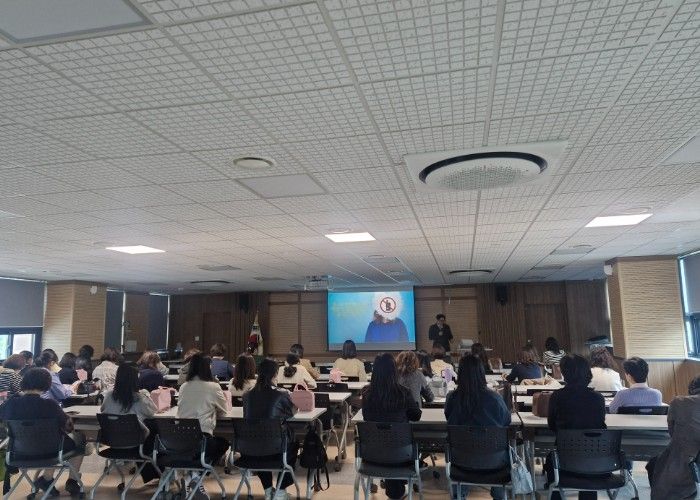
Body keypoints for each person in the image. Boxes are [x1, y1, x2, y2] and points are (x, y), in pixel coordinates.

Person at [0, 368, 86, 496]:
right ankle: (71, 481)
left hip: (18, 452)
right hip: (50, 452)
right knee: (80, 440)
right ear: (47, 384)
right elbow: (68, 427)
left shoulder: (9, 404)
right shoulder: (50, 405)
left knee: (45, 442)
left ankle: (47, 479)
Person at [445, 354, 511, 499]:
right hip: (494, 462)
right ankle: (500, 495)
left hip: (461, 461)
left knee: (462, 446)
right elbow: (506, 422)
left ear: (460, 374)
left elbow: (449, 420)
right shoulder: (495, 399)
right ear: (481, 373)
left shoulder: (452, 398)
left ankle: (459, 495)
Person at [361, 353, 421, 499]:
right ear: (394, 371)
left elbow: (366, 417)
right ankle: (396, 490)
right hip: (401, 453)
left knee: (387, 442)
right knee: (396, 442)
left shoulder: (367, 394)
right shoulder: (403, 393)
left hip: (373, 454)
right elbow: (416, 416)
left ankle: (394, 490)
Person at [546, 354, 605, 500]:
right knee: (588, 459)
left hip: (564, 460)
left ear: (564, 373)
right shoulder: (598, 398)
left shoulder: (557, 397)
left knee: (550, 459)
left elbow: (552, 426)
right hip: (595, 461)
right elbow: (600, 426)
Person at [242, 358, 297, 500]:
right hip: (277, 449)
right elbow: (291, 412)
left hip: (250, 450)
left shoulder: (247, 395)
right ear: (275, 374)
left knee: (260, 440)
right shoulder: (281, 393)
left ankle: (268, 490)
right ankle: (280, 491)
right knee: (293, 443)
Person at [177, 353, 230, 499]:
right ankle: (195, 476)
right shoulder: (213, 387)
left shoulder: (183, 387)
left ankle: (192, 477)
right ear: (207, 368)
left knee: (198, 451)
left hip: (179, 439)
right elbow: (224, 410)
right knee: (223, 444)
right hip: (202, 439)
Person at [100, 364, 159, 483]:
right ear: (135, 380)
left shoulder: (109, 396)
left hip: (113, 443)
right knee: (155, 430)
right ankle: (157, 473)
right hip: (135, 444)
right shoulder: (139, 398)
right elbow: (153, 411)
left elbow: (103, 410)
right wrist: (146, 395)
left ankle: (151, 474)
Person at [646, 375, 700, 499]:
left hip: (685, 462)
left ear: (692, 389)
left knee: (655, 464)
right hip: (694, 461)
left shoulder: (679, 402)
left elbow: (672, 433)